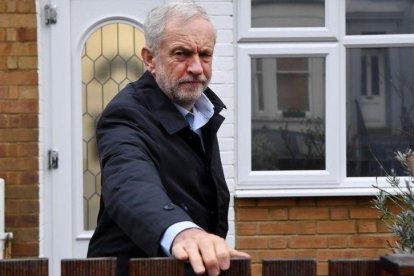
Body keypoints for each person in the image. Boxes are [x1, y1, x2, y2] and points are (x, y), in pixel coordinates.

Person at [87, 2, 249, 276]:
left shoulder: (202, 112)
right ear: (150, 59)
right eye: (181, 54)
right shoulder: (127, 114)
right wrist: (183, 233)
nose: (197, 67)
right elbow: (129, 181)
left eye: (205, 54)